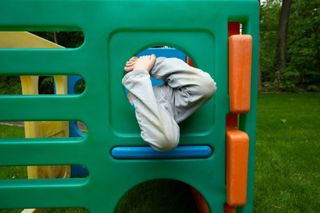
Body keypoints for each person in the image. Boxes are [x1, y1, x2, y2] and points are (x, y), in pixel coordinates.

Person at [122, 54, 217, 152]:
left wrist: (147, 66)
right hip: (140, 107)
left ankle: (148, 65)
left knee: (206, 86)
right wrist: (138, 73)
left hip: (169, 100)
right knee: (166, 141)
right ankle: (137, 76)